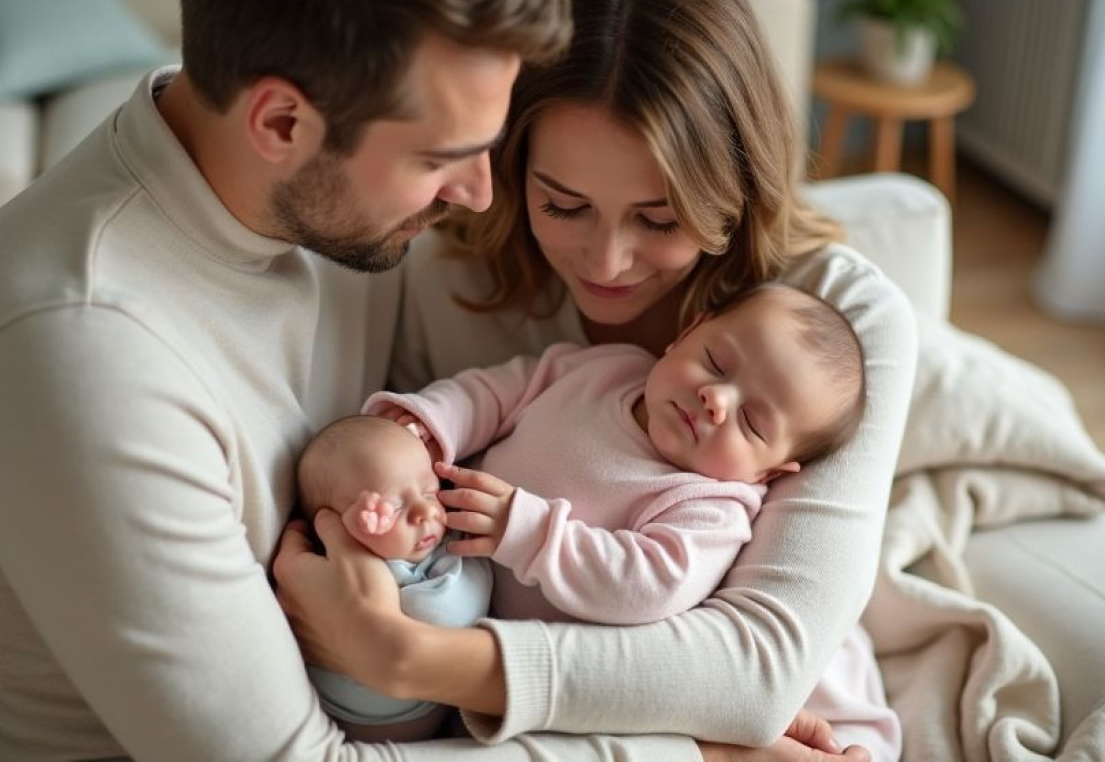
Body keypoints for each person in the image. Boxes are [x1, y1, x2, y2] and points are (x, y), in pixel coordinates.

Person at [0, 0, 643, 758]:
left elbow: (618, 373)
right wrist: (686, 752)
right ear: (280, 123)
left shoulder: (299, 190)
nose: (479, 195)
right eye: (439, 159)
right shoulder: (84, 358)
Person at [272, 0, 919, 761]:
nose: (607, 262)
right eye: (563, 205)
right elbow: (428, 457)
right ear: (510, 167)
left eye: (660, 217)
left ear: (733, 189)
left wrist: (404, 657)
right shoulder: (450, 276)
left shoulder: (847, 319)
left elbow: (758, 676)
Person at [362, 282, 899, 760]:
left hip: (571, 684)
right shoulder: (604, 368)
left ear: (771, 471)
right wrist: (432, 423)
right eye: (716, 362)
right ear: (686, 333)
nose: (717, 400)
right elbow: (496, 393)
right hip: (456, 572)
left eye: (753, 422)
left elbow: (647, 584)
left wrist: (527, 531)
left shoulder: (713, 505)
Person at [295, 415, 492, 744]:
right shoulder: (346, 577)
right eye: (393, 507)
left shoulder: (439, 552)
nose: (424, 512)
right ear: (331, 526)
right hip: (356, 726)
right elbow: (442, 616)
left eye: (429, 492)